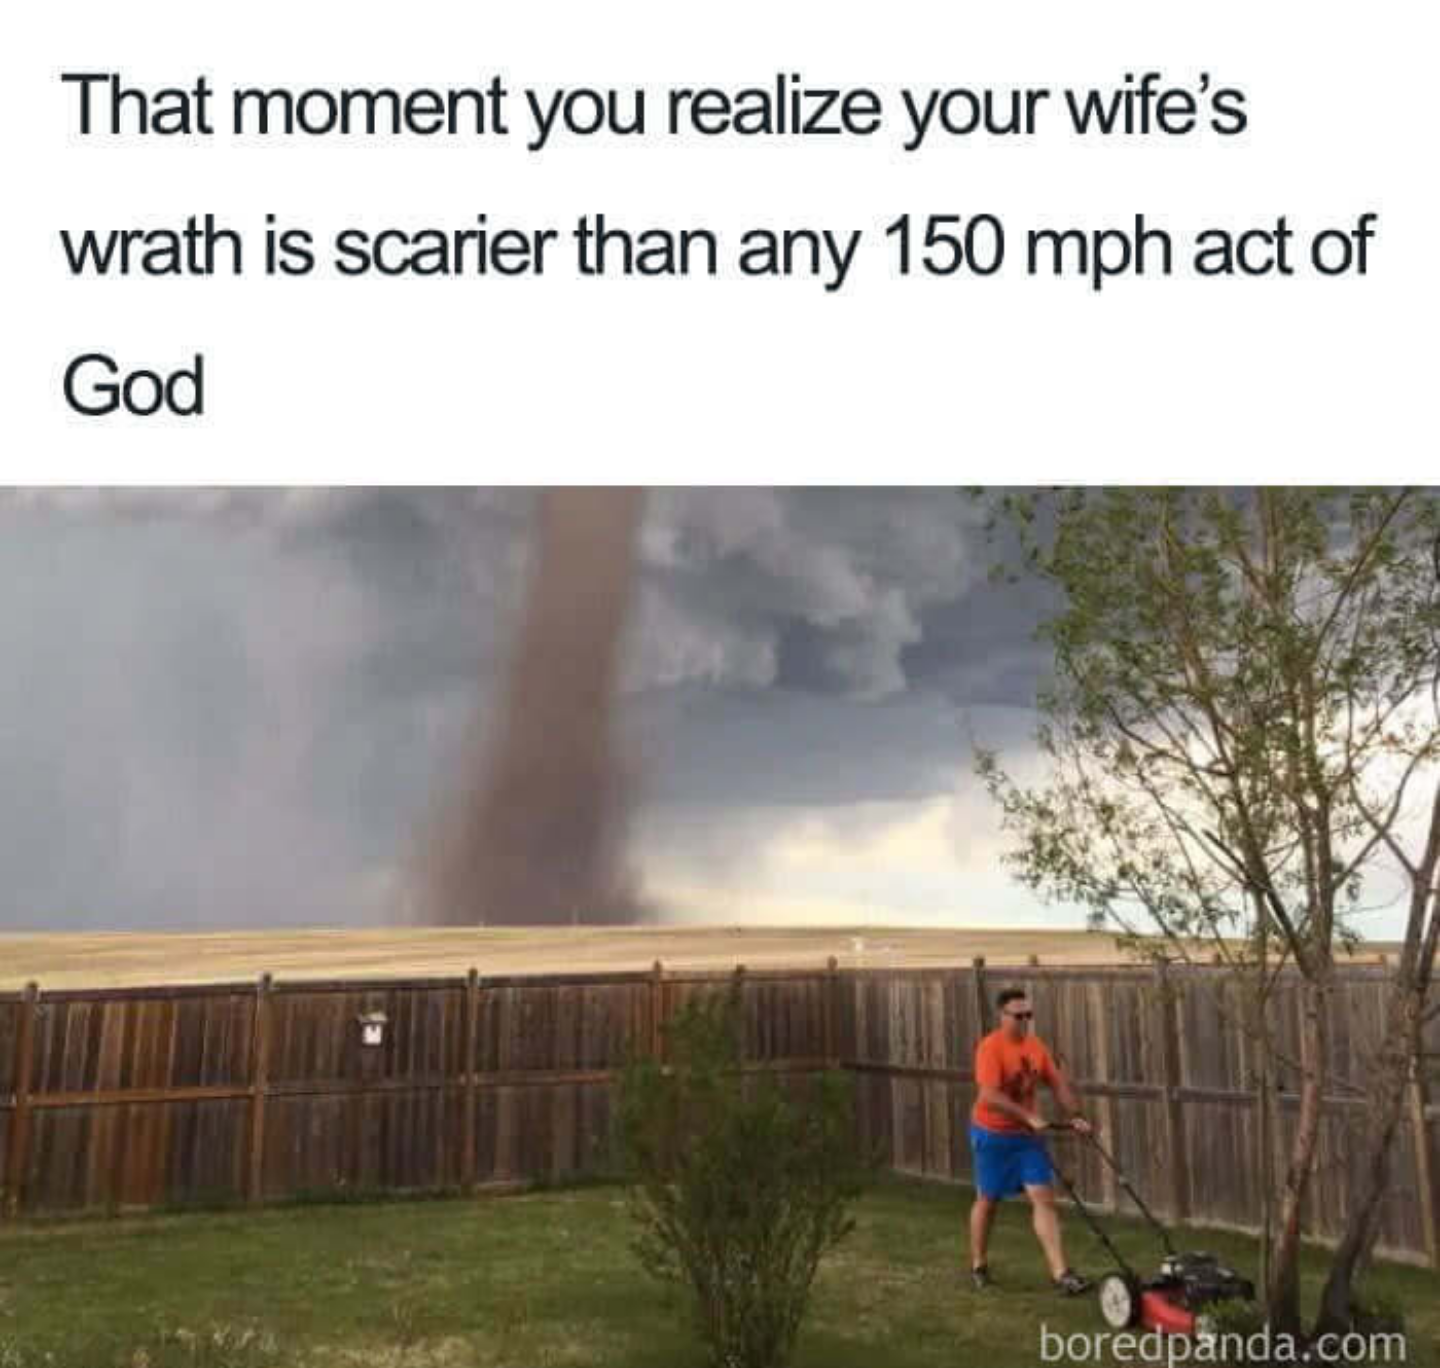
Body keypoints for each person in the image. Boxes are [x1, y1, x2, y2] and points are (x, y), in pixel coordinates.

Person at [969, 986, 1092, 1294]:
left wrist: (1076, 1113)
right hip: (992, 1134)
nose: (1025, 1021)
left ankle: (1060, 1273)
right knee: (988, 1200)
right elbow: (989, 1096)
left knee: (1043, 1198)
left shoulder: (1036, 1046)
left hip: (1026, 1139)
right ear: (1002, 1016)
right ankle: (979, 1264)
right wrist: (1027, 1116)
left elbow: (1057, 1082)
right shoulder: (991, 1047)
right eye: (1018, 1015)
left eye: (1029, 1015)